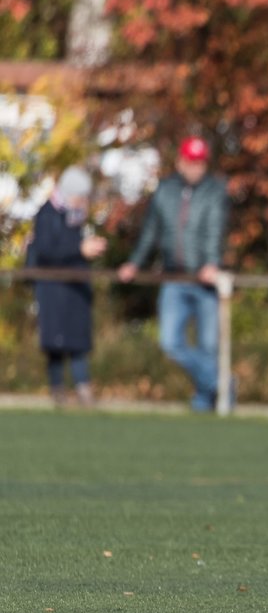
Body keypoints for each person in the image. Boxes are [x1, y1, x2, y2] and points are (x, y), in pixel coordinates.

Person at [117, 136, 229, 412]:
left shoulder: (215, 191)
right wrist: (135, 263)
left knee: (208, 347)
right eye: (191, 162)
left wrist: (212, 262)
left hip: (204, 281)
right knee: (170, 343)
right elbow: (151, 231)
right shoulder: (165, 190)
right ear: (181, 162)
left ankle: (205, 400)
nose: (195, 168)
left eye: (200, 163)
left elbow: (216, 229)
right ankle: (221, 384)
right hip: (173, 279)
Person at [26, 166, 107, 407]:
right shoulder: (47, 214)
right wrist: (79, 249)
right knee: (56, 344)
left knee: (77, 342)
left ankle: (83, 390)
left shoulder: (76, 215)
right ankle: (58, 391)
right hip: (53, 291)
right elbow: (46, 251)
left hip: (74, 290)